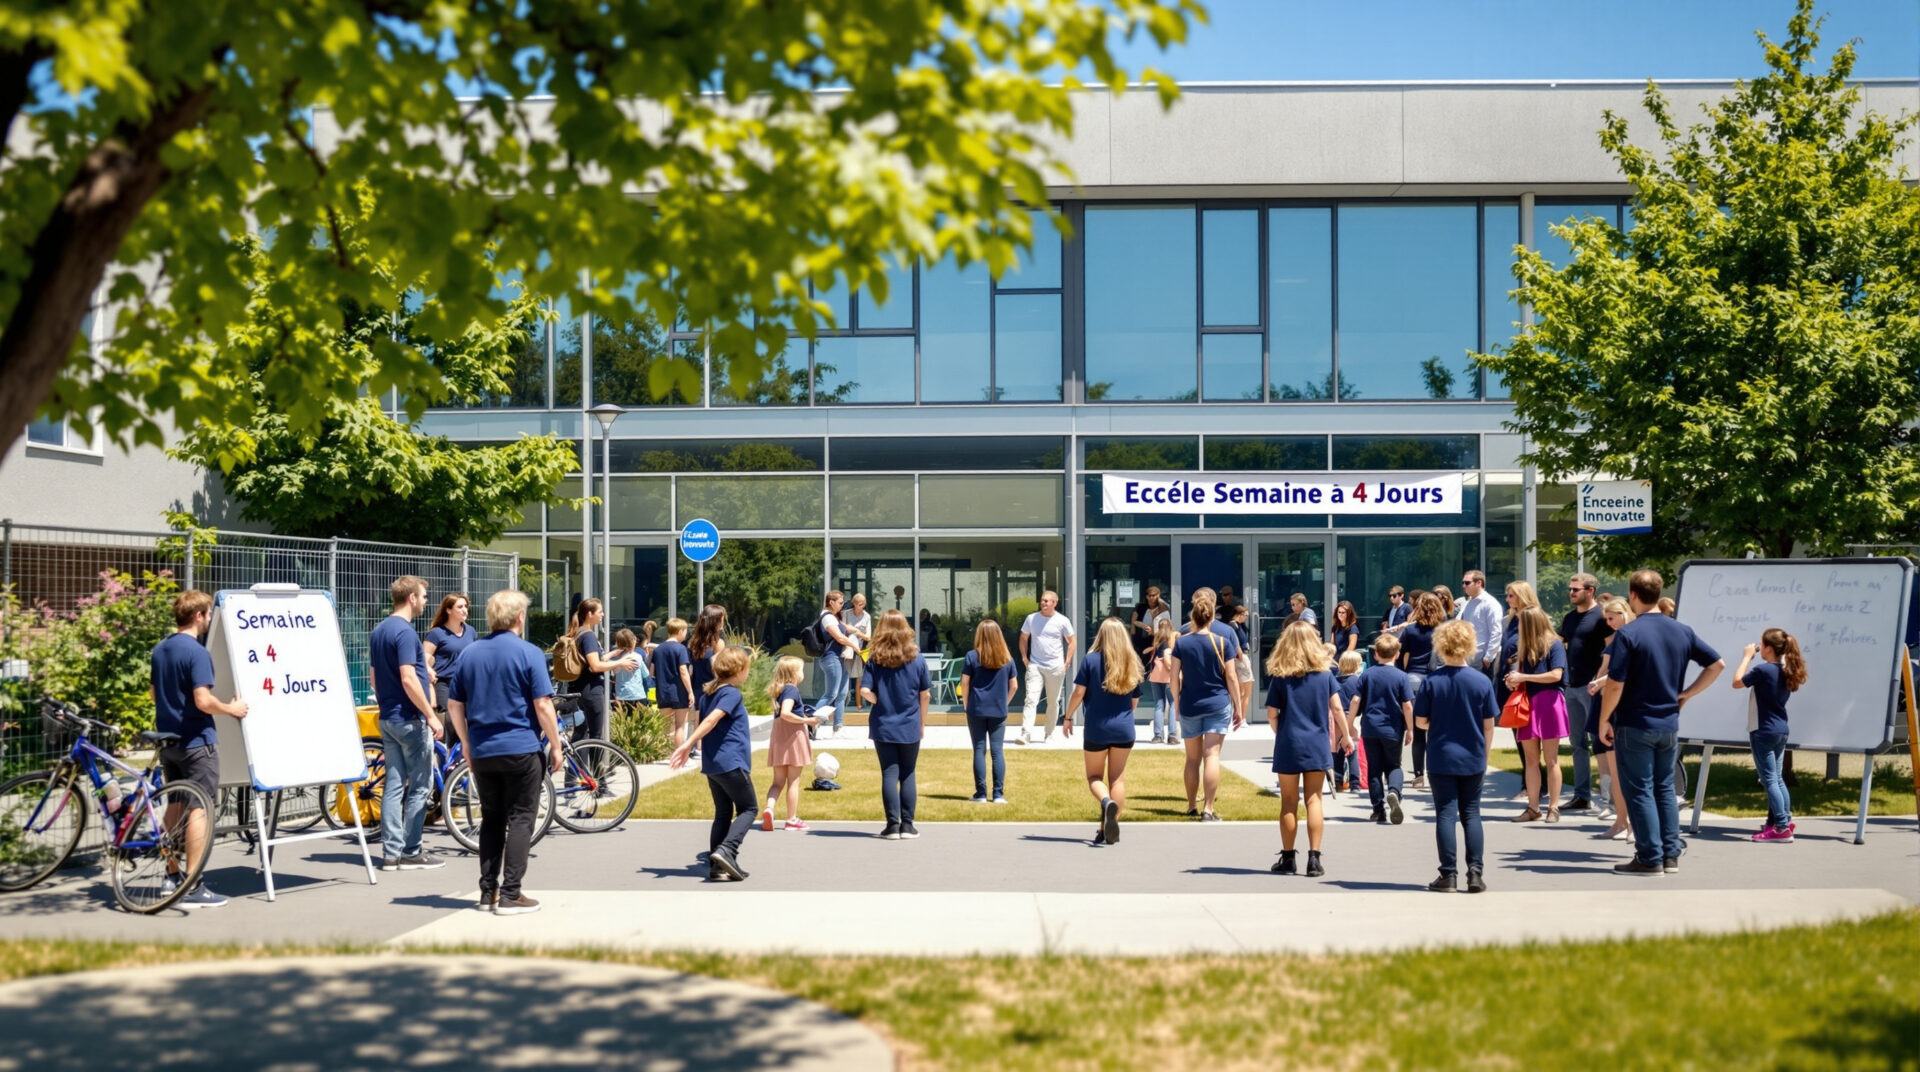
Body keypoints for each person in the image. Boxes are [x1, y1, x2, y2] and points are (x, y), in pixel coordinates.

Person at [1599, 570, 1725, 876]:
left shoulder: (1629, 634)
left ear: (1632, 595)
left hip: (1635, 721)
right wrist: (1688, 694)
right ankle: (1670, 854)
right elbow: (1717, 664)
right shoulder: (1681, 630)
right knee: (1665, 788)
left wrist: (1604, 718)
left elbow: (1615, 684)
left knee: (1639, 789)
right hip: (1668, 723)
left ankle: (1649, 856)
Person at [446, 589, 561, 915]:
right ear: (519, 617)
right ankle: (511, 893)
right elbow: (542, 704)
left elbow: (455, 704)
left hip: (483, 750)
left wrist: (466, 743)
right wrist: (555, 745)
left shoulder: (470, 653)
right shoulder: (530, 653)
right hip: (521, 748)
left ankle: (488, 893)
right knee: (522, 818)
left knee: (492, 819)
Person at [147, 589, 248, 908]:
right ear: (198, 616)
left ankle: (171, 878)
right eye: (207, 614)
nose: (208, 620)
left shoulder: (160, 650)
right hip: (197, 743)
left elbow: (153, 694)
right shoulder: (197, 653)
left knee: (174, 809)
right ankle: (193, 885)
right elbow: (203, 701)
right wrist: (232, 709)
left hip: (170, 742)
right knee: (198, 810)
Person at [369, 575, 446, 872]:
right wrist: (429, 714)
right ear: (411, 598)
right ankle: (411, 851)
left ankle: (391, 854)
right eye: (424, 596)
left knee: (393, 786)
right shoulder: (405, 633)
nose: (426, 601)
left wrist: (386, 701)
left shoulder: (379, 631)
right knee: (420, 786)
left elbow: (375, 677)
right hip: (409, 719)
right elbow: (407, 676)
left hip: (388, 717)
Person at [1417, 619, 1499, 893]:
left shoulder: (1431, 681)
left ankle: (1448, 874)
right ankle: (1475, 872)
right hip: (1473, 755)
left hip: (1441, 755)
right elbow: (1489, 725)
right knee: (1472, 813)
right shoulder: (1481, 682)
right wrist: (1484, 755)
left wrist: (1438, 722)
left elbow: (1420, 721)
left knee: (1445, 813)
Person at [1265, 621, 1344, 877]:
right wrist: (1347, 734)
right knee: (1314, 799)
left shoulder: (1281, 677)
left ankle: (1288, 858)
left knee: (1288, 802)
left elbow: (1272, 715)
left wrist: (1282, 733)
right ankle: (1314, 858)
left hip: (1289, 741)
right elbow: (1336, 708)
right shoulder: (1325, 675)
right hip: (1317, 742)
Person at [671, 646, 756, 881]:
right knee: (749, 809)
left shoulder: (709, 692)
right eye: (747, 668)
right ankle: (727, 851)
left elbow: (702, 718)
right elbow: (711, 720)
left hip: (713, 764)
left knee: (723, 812)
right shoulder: (731, 693)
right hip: (731, 762)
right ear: (738, 670)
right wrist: (688, 743)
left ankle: (718, 867)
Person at [1063, 619, 1144, 845]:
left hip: (1097, 727)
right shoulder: (1131, 661)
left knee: (1094, 777)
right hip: (1124, 728)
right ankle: (1106, 828)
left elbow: (1079, 691)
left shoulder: (1091, 660)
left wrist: (1068, 717)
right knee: (1117, 778)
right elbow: (1135, 700)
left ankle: (1106, 801)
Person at [1169, 590, 1243, 821]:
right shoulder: (1222, 642)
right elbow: (1231, 677)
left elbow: (1174, 678)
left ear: (1193, 617)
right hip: (1217, 703)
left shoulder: (1182, 643)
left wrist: (1177, 703)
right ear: (1212, 617)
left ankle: (1191, 805)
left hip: (1191, 703)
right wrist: (1239, 708)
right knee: (1212, 756)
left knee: (1192, 759)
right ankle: (1208, 809)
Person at [1732, 628, 1807, 843]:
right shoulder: (1786, 670)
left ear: (1768, 649)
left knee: (1770, 781)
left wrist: (1746, 657)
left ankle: (1781, 827)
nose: (1759, 648)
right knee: (1778, 779)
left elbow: (1737, 682)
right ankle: (1785, 821)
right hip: (1780, 730)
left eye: (1761, 645)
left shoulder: (1764, 671)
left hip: (1763, 730)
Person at [863, 609, 931, 839]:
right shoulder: (917, 658)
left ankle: (892, 825)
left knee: (889, 774)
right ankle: (908, 825)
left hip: (883, 722)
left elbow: (864, 690)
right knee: (908, 773)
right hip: (909, 722)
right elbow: (926, 695)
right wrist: (922, 721)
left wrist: (877, 699)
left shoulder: (875, 658)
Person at [1507, 606, 1571, 823]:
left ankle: (1553, 807)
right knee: (1531, 760)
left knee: (1551, 759)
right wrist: (1514, 680)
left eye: (1521, 623)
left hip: (1549, 702)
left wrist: (1523, 676)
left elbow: (1556, 675)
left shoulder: (1554, 644)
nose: (1519, 627)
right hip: (1529, 703)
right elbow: (1525, 676)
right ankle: (1533, 808)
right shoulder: (1525, 647)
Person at [1557, 573, 1613, 813]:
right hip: (1572, 686)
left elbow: (1612, 649)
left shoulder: (1601, 617)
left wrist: (1600, 680)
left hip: (1593, 688)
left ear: (1590, 591)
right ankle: (1582, 795)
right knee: (1577, 743)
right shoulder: (1569, 618)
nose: (1571, 593)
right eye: (1570, 589)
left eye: (1576, 589)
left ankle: (1609, 798)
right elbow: (1559, 644)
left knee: (1600, 741)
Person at [1351, 634, 1413, 825]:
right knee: (1394, 765)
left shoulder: (1367, 674)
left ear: (1375, 654)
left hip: (1370, 727)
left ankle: (1378, 809)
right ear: (1397, 654)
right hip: (1392, 728)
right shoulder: (1401, 677)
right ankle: (1394, 792)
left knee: (1374, 770)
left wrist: (1349, 725)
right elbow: (1407, 705)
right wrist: (1410, 729)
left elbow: (1355, 700)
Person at [1589, 599, 1636, 840]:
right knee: (1614, 770)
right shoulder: (1617, 638)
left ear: (1624, 613)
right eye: (1606, 619)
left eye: (1611, 618)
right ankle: (1620, 821)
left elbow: (1621, 674)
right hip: (1608, 706)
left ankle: (1631, 825)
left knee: (1626, 772)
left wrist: (1600, 682)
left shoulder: (1630, 637)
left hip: (1624, 708)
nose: (1609, 623)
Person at [566, 598, 639, 745]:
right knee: (594, 736)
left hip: (578, 688)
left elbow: (593, 661)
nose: (603, 614)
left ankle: (576, 768)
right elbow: (595, 666)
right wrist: (620, 662)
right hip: (591, 691)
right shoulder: (588, 636)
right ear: (589, 614)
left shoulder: (578, 633)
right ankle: (594, 768)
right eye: (600, 611)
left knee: (581, 732)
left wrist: (613, 654)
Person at [960, 620, 1019, 804]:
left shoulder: (971, 656)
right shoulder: (1007, 658)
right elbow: (1014, 686)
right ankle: (999, 794)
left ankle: (981, 794)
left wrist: (966, 703)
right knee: (997, 751)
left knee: (979, 750)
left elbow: (964, 683)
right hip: (998, 710)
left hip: (976, 708)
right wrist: (1005, 702)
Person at [762, 656, 822, 831]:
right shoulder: (792, 690)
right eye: (801, 670)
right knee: (793, 781)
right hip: (793, 737)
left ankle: (769, 808)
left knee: (777, 781)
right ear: (794, 673)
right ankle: (791, 819)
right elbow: (786, 713)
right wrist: (807, 721)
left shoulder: (779, 690)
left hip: (779, 738)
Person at [1497, 580, 1545, 797]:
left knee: (1529, 735)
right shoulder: (1510, 620)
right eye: (1507, 595)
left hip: (1526, 682)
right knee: (1518, 733)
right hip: (1509, 680)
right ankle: (1531, 782)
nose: (1508, 599)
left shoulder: (1531, 618)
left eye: (1512, 595)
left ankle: (1534, 785)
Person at [1016, 590, 1076, 745]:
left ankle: (1049, 733)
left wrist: (1067, 663)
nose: (1043, 603)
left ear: (1054, 603)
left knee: (1053, 702)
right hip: (1035, 665)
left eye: (1047, 601)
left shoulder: (1062, 621)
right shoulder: (1031, 618)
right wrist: (1024, 657)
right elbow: (1023, 637)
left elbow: (1072, 642)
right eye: (1042, 600)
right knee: (1031, 699)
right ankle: (1026, 733)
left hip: (1055, 667)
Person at [1400, 591, 1446, 788]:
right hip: (1438, 680)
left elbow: (1404, 656)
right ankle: (1438, 771)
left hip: (1414, 679)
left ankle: (1418, 775)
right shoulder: (1443, 630)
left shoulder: (1410, 631)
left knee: (1418, 732)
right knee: (1438, 729)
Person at [423, 593, 477, 714]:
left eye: (466, 606)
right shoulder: (436, 633)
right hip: (444, 684)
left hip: (465, 682)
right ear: (448, 610)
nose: (465, 610)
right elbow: (423, 657)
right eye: (460, 607)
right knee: (449, 722)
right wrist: (428, 669)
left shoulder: (471, 631)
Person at [650, 618, 695, 759]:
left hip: (662, 691)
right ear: (680, 631)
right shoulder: (681, 649)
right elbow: (683, 671)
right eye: (685, 631)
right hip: (679, 691)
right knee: (680, 726)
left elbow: (652, 671)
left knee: (665, 726)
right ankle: (679, 757)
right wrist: (690, 692)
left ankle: (666, 754)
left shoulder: (658, 649)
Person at [813, 592, 857, 736]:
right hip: (831, 659)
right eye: (840, 602)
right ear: (831, 602)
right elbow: (839, 637)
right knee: (831, 694)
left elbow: (847, 629)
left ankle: (838, 727)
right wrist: (855, 646)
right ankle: (811, 722)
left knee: (842, 694)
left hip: (839, 659)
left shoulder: (833, 618)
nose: (842, 604)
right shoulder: (827, 618)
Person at [1457, 570, 1503, 681]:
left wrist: (1488, 657)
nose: (1464, 586)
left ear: (1479, 583)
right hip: (1468, 659)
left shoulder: (1490, 603)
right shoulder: (1468, 603)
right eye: (1463, 583)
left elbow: (1496, 631)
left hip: (1483, 662)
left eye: (1467, 583)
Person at [1331, 650, 1365, 793]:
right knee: (1352, 750)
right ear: (1357, 665)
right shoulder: (1357, 681)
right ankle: (1354, 782)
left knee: (1337, 750)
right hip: (1351, 717)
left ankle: (1337, 780)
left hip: (1336, 717)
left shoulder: (1334, 680)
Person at [686, 604, 728, 712]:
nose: (723, 623)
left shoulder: (693, 642)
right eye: (722, 620)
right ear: (715, 622)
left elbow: (690, 668)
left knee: (698, 720)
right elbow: (718, 669)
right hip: (713, 687)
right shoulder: (718, 643)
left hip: (697, 688)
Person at [1144, 617, 1178, 744]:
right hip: (1169, 676)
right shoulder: (1171, 641)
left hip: (1156, 676)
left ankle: (1158, 735)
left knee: (1159, 705)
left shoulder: (1157, 641)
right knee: (1173, 704)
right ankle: (1172, 735)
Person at [609, 627, 651, 719]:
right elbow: (646, 674)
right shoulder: (637, 657)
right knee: (639, 726)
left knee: (623, 725)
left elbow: (614, 673)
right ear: (633, 640)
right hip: (638, 695)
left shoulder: (616, 659)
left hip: (621, 695)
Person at [843, 593, 873, 712]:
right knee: (845, 678)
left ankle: (859, 705)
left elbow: (868, 637)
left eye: (863, 604)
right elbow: (843, 631)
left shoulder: (867, 616)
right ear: (853, 604)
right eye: (859, 604)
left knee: (859, 677)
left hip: (859, 651)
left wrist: (855, 631)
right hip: (846, 649)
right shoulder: (846, 614)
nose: (861, 606)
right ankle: (842, 704)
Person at [1132, 585, 1172, 662]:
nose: (1151, 598)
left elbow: (1166, 625)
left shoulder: (1163, 608)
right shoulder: (1141, 607)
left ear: (1158, 595)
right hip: (1141, 639)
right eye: (1149, 596)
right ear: (1146, 596)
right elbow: (1134, 621)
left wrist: (1152, 630)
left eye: (1153, 595)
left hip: (1157, 640)